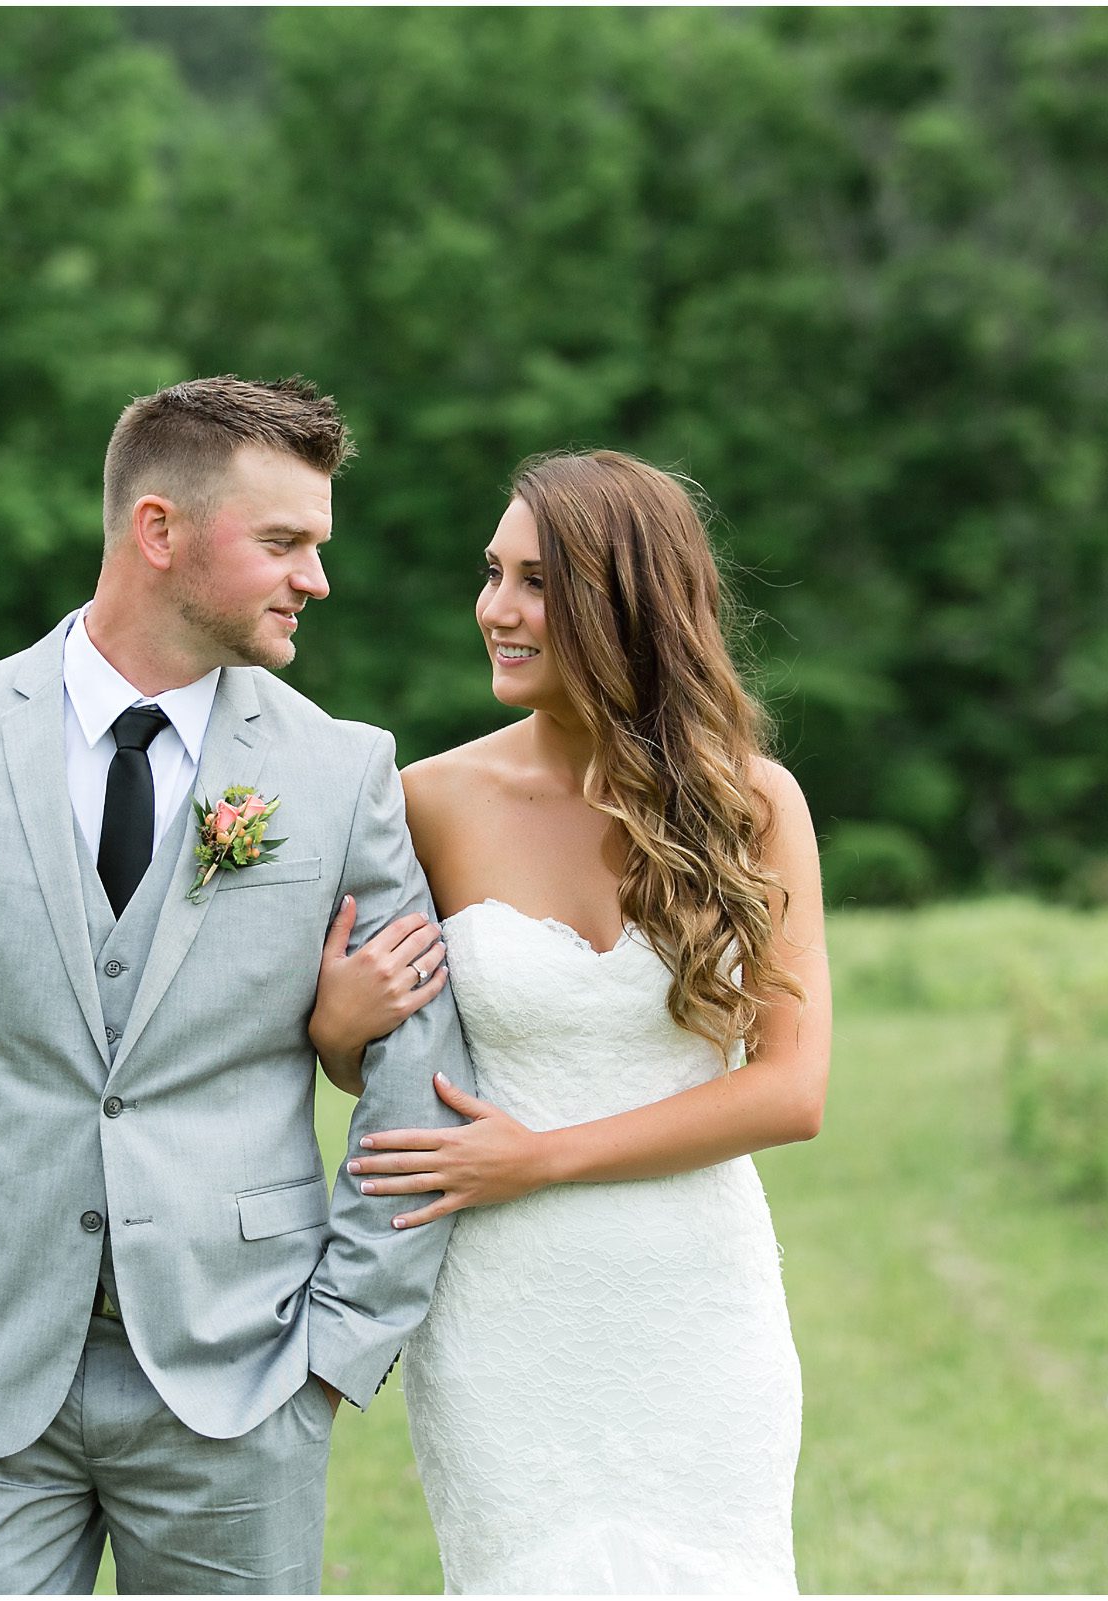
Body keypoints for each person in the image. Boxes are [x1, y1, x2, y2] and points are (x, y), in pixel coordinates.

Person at [0, 375, 475, 1594]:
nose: (315, 579)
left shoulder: (340, 773)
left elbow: (422, 1080)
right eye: (284, 541)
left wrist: (336, 1343)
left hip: (245, 1374)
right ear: (159, 531)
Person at [307, 449, 830, 1593]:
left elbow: (791, 1091)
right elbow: (386, 1054)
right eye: (493, 573)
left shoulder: (752, 802)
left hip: (699, 1296)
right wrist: (341, 1028)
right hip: (505, 1310)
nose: (498, 608)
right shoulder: (428, 802)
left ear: (625, 602)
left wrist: (540, 1156)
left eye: (537, 582)